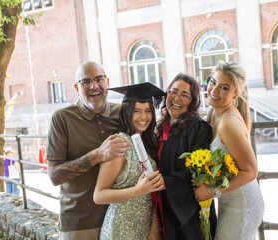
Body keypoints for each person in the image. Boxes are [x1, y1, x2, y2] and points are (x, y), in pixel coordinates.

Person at [45, 61, 130, 240]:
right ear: (77, 87)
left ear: (107, 81)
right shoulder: (62, 119)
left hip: (119, 218)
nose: (94, 86)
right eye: (86, 82)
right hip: (79, 224)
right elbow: (54, 176)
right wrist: (97, 155)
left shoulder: (122, 113)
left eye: (99, 79)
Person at [194, 61, 264, 240]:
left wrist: (211, 192)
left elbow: (251, 171)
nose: (214, 90)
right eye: (213, 82)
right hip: (229, 201)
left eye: (224, 87)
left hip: (243, 204)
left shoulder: (228, 123)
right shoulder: (214, 112)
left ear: (236, 93)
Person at [93, 82, 166, 240]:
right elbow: (98, 195)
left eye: (148, 111)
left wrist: (154, 227)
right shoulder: (120, 145)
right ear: (126, 112)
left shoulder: (150, 141)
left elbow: (152, 193)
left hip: (145, 227)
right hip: (119, 229)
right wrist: (138, 191)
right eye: (136, 111)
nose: (143, 117)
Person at [155, 73, 217, 240]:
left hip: (187, 212)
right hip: (163, 206)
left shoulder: (198, 128)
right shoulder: (160, 128)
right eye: (173, 91)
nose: (177, 98)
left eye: (184, 95)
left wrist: (166, 182)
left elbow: (196, 170)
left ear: (193, 101)